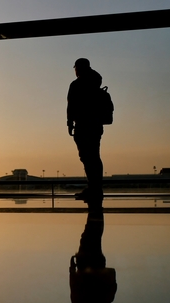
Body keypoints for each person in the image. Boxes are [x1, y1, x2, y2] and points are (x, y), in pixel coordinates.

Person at [67, 58, 104, 199]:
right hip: (95, 125)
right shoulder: (96, 82)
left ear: (78, 68)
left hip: (83, 125)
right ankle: (96, 188)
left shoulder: (77, 85)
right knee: (94, 156)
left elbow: (71, 106)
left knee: (87, 157)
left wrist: (70, 123)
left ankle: (93, 188)